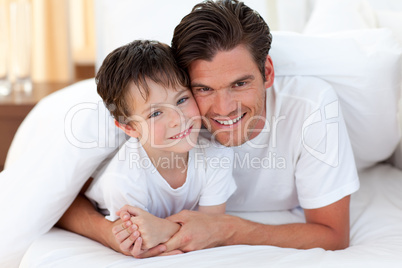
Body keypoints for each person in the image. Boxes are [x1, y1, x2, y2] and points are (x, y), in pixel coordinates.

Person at [57, 0, 360, 257]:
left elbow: (333, 235)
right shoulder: (163, 119)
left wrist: (226, 230)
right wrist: (111, 234)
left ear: (267, 72)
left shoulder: (309, 107)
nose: (224, 107)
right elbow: (64, 196)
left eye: (240, 83)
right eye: (203, 89)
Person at [69, 39, 237, 255]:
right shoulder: (124, 180)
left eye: (182, 99)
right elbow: (143, 246)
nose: (177, 119)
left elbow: (212, 230)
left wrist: (165, 229)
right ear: (129, 128)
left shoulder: (216, 155)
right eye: (156, 113)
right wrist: (172, 237)